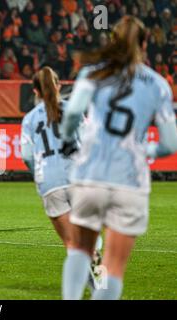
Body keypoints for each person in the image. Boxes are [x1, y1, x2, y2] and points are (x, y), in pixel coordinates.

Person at [60, 16, 177, 300]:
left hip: (89, 176)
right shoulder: (159, 85)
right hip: (130, 181)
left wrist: (67, 138)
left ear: (113, 40)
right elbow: (170, 143)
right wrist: (145, 150)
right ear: (145, 44)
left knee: (79, 250)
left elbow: (74, 113)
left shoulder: (93, 73)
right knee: (114, 268)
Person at [20, 66, 103, 287]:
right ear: (58, 85)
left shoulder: (29, 120)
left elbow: (27, 155)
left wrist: (39, 174)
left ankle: (95, 288)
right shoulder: (74, 111)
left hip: (50, 184)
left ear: (35, 91)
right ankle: (101, 281)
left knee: (72, 244)